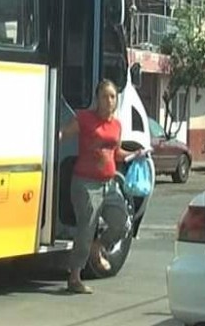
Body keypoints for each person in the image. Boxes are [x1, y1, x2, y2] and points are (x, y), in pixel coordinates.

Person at [61, 79, 145, 294]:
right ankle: (75, 277)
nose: (108, 101)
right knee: (86, 227)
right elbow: (61, 135)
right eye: (104, 96)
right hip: (85, 184)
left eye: (112, 97)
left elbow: (116, 154)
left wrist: (136, 154)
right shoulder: (85, 119)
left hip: (109, 183)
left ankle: (98, 247)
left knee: (122, 223)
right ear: (97, 99)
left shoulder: (116, 125)